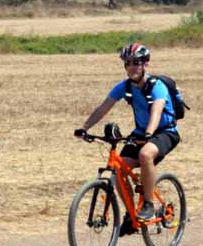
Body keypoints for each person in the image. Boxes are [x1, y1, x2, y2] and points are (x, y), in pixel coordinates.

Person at [75, 42, 180, 222]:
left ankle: (148, 204)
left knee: (145, 154)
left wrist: (148, 134)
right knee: (118, 171)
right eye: (128, 63)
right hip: (141, 133)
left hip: (165, 132)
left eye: (136, 63)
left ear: (145, 64)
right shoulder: (124, 87)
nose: (131, 67)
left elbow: (157, 111)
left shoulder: (158, 86)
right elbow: (103, 108)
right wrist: (84, 128)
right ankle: (131, 215)